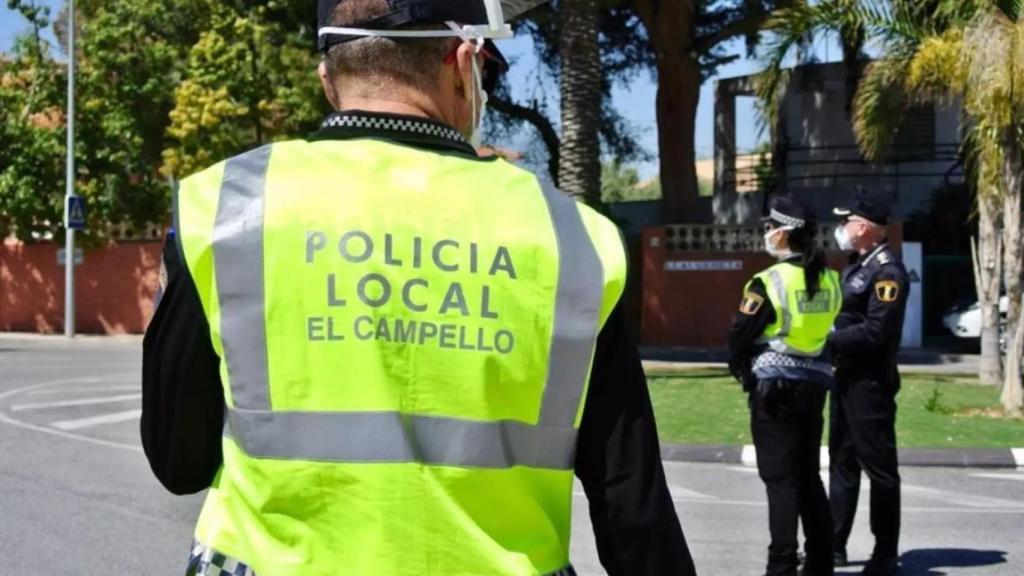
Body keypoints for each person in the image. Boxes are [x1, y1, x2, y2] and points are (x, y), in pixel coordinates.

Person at [140, 1, 697, 575]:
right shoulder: (573, 238)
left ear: (328, 78)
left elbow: (178, 462)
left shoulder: (224, 206)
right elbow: (633, 509)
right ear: (462, 63)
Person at [728, 196, 841, 576]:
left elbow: (740, 334)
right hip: (814, 387)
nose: (765, 234)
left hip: (774, 391)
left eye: (768, 228)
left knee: (780, 480)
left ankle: (781, 566)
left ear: (784, 232)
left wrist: (738, 364)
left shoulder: (769, 281)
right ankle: (821, 560)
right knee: (807, 474)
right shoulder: (831, 279)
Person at [828, 196, 909, 576]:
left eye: (846, 221)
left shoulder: (887, 271)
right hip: (844, 377)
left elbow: (878, 331)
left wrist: (830, 338)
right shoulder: (856, 265)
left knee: (879, 468)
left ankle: (885, 552)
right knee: (842, 463)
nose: (841, 228)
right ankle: (835, 544)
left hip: (870, 384)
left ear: (862, 227)